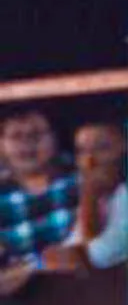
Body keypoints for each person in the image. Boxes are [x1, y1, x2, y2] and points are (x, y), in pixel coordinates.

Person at [0, 109, 78, 291]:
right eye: (16, 136)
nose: (27, 144)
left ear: (56, 138)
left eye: (36, 134)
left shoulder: (80, 182)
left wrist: (36, 266)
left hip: (87, 298)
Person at [41, 123, 128, 273]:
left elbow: (102, 254)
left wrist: (89, 194)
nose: (90, 160)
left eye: (102, 148)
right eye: (82, 151)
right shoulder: (78, 190)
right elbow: (72, 245)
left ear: (124, 146)